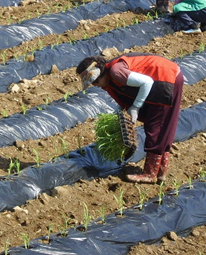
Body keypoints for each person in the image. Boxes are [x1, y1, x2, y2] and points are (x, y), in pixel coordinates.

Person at [77, 53, 184, 184]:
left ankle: (150, 174)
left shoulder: (116, 72)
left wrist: (136, 107)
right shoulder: (109, 80)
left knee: (156, 125)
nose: (95, 85)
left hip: (166, 78)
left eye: (95, 81)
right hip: (167, 77)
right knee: (161, 125)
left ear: (101, 73)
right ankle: (160, 172)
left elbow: (147, 82)